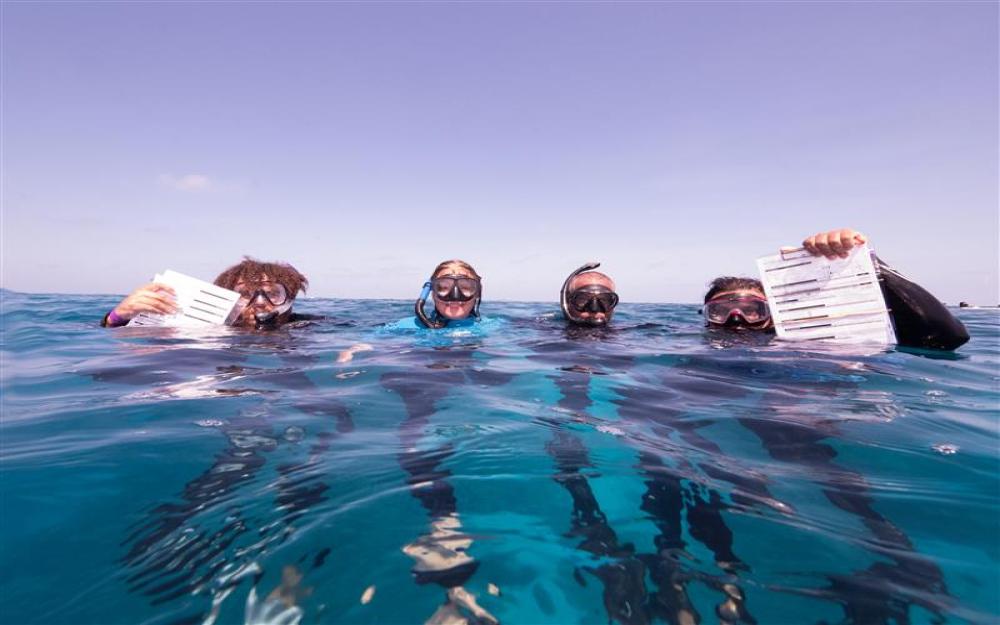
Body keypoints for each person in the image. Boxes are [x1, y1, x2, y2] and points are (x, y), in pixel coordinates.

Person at [702, 228, 970, 350]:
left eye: (752, 310)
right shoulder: (697, 347)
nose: (735, 319)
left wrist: (867, 265)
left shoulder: (803, 341)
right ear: (706, 318)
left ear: (773, 315)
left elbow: (948, 338)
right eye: (719, 311)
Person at [100, 258, 314, 330]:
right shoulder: (215, 326)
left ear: (290, 299)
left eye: (272, 294)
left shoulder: (305, 328)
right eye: (245, 294)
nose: (259, 303)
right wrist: (117, 318)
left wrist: (349, 350)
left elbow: (347, 334)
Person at [560, 262, 619, 327]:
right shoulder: (551, 330)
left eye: (604, 299)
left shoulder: (623, 330)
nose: (594, 309)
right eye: (583, 299)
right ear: (568, 303)